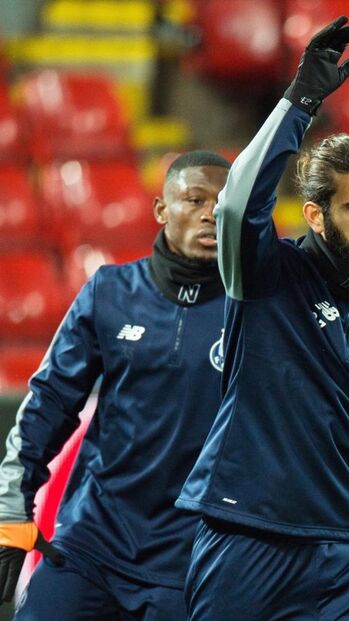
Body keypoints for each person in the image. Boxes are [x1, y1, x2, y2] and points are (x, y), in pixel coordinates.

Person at [175, 17, 349, 620]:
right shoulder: (268, 276)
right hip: (247, 539)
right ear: (315, 214)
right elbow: (237, 202)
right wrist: (300, 100)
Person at [0, 150, 232, 619]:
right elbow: (50, 402)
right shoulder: (109, 291)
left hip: (190, 560)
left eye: (223, 204)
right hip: (92, 543)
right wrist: (10, 513)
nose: (210, 213)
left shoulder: (254, 309)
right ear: (161, 210)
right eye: (194, 199)